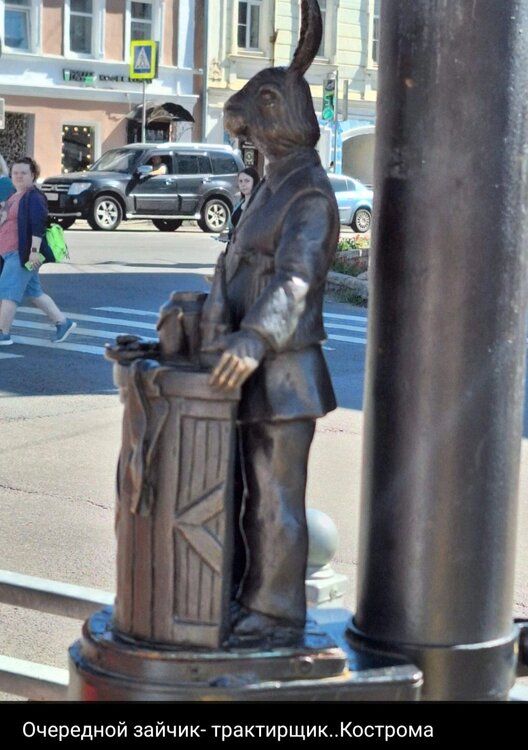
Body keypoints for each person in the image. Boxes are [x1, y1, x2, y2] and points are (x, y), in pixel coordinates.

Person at [0, 156, 76, 346]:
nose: (18, 176)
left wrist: (33, 252)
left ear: (33, 175)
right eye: (15, 173)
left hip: (21, 253)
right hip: (10, 252)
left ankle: (3, 333)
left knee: (7, 291)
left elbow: (37, 226)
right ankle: (63, 323)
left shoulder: (34, 196)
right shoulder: (15, 196)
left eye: (23, 173)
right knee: (34, 293)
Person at [227, 167, 260, 238]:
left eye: (247, 181)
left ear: (255, 182)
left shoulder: (260, 205)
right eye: (240, 181)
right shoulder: (238, 204)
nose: (243, 184)